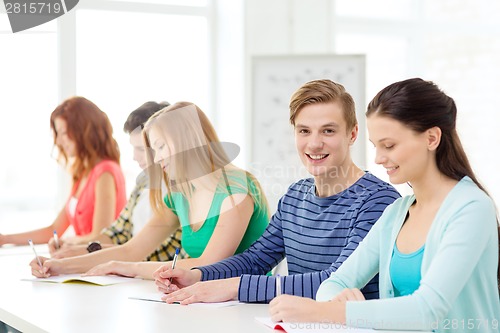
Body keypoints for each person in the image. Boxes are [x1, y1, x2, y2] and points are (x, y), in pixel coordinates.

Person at [269, 78, 500, 332]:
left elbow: (427, 310)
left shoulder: (472, 209)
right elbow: (332, 284)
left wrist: (329, 311)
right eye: (375, 146)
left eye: (389, 145)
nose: (378, 159)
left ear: (432, 138)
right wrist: (337, 302)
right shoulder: (397, 213)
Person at [154, 79, 401, 305]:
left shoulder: (378, 202)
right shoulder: (295, 196)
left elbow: (335, 281)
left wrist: (234, 287)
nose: (314, 143)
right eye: (304, 131)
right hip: (298, 324)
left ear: (353, 134)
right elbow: (255, 260)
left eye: (328, 131)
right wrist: (196, 275)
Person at [30, 101, 269, 278]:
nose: (157, 159)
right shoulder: (180, 195)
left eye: (161, 147)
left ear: (187, 140)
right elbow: (131, 250)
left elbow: (208, 264)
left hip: (245, 307)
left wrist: (128, 268)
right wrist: (58, 266)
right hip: (203, 302)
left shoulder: (236, 190)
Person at [50, 101, 187, 262]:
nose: (135, 157)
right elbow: (118, 233)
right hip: (135, 274)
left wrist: (86, 256)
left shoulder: (181, 189)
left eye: (141, 149)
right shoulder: (144, 181)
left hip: (148, 276)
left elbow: (161, 254)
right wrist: (79, 249)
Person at [0, 97, 127, 247]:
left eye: (64, 133)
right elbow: (54, 230)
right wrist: (6, 239)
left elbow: (100, 238)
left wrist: (65, 242)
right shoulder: (82, 174)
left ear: (84, 130)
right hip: (84, 261)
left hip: (98, 265)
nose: (59, 141)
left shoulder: (105, 172)